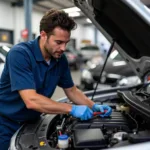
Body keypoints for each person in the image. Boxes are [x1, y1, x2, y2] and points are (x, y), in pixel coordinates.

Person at [0, 9, 112, 150]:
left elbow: (71, 90)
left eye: (66, 42)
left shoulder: (60, 59)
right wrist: (71, 109)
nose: (63, 48)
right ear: (43, 35)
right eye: (58, 42)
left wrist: (93, 105)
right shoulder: (20, 54)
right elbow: (31, 100)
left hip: (32, 122)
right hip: (5, 124)